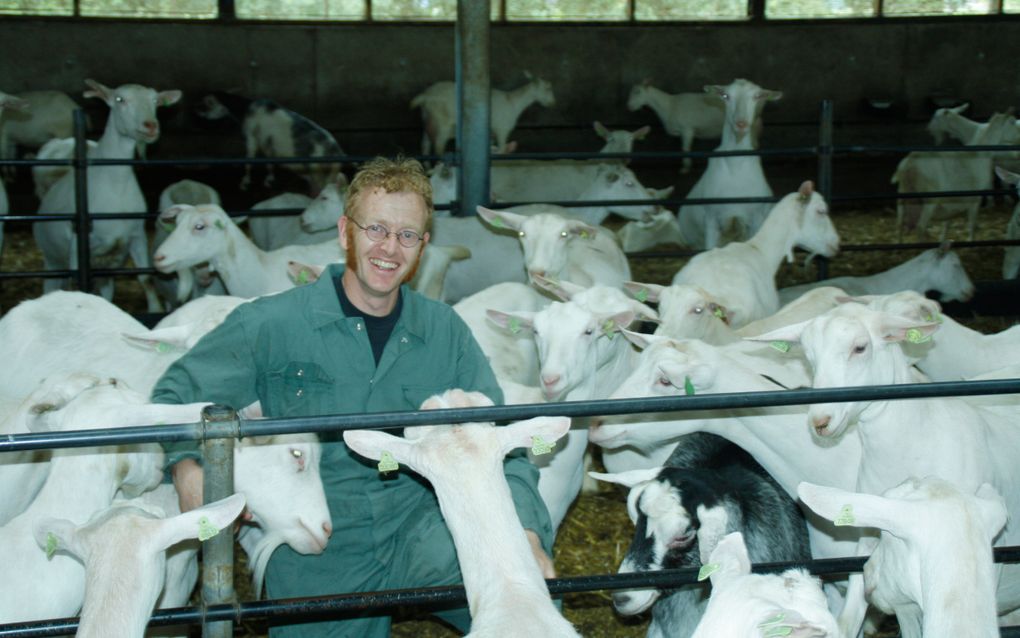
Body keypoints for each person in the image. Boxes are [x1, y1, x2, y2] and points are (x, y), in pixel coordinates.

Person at [152, 156, 555, 637]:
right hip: (319, 540)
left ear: (423, 247)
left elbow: (503, 442)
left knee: (526, 620)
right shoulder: (271, 322)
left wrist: (525, 537)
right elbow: (176, 392)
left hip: (426, 524)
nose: (390, 248)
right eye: (376, 229)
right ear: (346, 232)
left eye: (407, 235)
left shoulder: (444, 331)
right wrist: (187, 467)